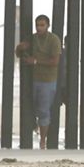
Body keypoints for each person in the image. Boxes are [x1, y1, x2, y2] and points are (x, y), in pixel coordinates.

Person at [16, 14, 62, 149]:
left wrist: (35, 61)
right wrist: (19, 48)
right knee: (31, 108)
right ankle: (33, 133)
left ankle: (43, 141)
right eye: (37, 25)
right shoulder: (33, 38)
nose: (39, 28)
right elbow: (19, 54)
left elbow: (55, 62)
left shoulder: (54, 40)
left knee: (43, 110)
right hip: (33, 80)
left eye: (42, 25)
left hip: (47, 81)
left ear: (48, 26)